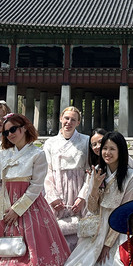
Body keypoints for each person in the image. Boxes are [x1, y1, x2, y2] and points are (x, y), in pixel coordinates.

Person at [0, 113, 71, 266]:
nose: (10, 134)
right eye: (6, 132)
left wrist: (17, 209)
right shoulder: (3, 155)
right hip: (2, 207)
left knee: (33, 250)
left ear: (24, 128)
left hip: (31, 207)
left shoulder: (37, 154)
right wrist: (3, 208)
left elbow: (36, 185)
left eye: (13, 129)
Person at [55, 131, 133, 266]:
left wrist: (107, 244)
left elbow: (124, 212)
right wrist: (94, 186)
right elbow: (93, 208)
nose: (107, 153)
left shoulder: (130, 176)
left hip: (117, 229)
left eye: (112, 149)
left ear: (120, 151)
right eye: (105, 148)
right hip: (96, 228)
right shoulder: (98, 171)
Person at [44, 106, 89, 250]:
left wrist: (82, 197)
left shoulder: (86, 141)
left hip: (78, 186)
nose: (69, 122)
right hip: (57, 186)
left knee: (79, 231)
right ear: (60, 119)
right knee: (54, 233)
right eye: (67, 118)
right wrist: (53, 197)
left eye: (73, 120)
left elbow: (90, 172)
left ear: (78, 123)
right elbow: (47, 171)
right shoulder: (50, 143)